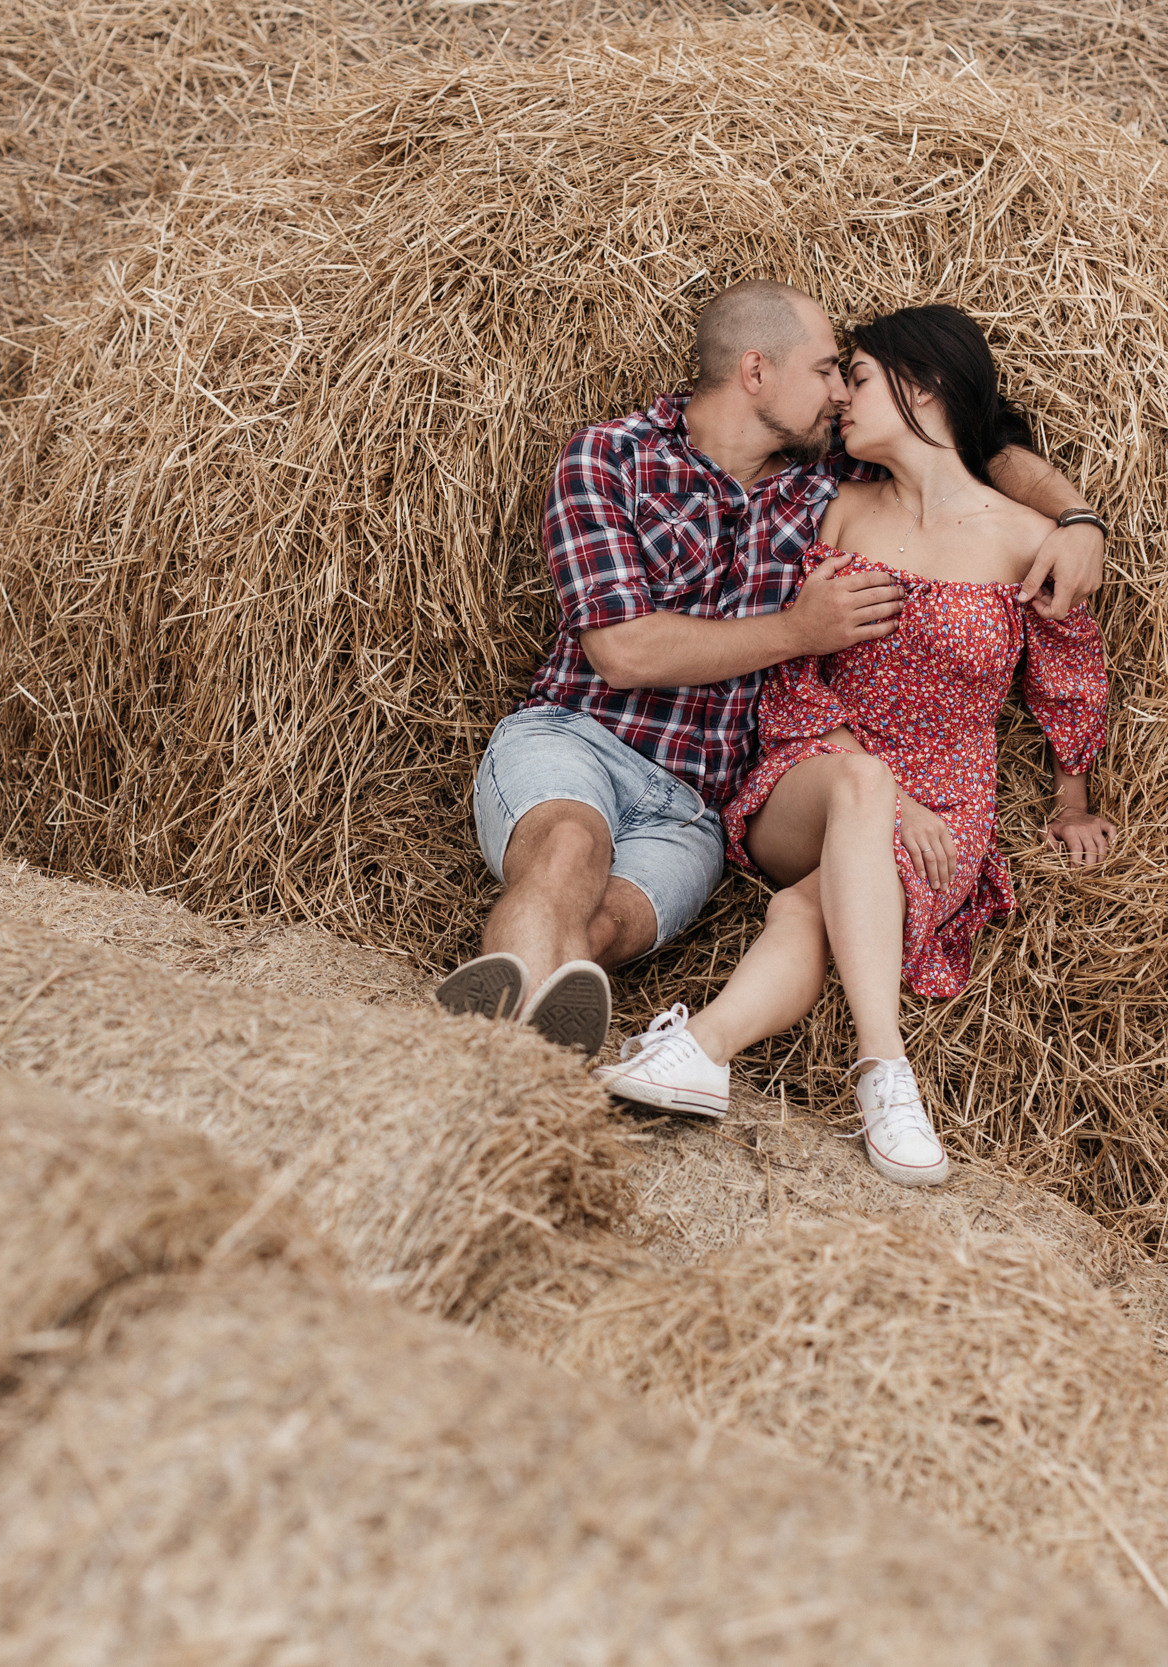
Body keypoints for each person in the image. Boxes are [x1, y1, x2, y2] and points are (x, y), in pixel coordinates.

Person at [436, 282, 1108, 1057]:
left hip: (693, 808)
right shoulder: (610, 456)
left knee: (605, 927)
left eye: (850, 378)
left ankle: (507, 1034)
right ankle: (487, 1071)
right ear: (756, 372)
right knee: (567, 852)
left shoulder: (820, 491)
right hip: (579, 737)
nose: (838, 395)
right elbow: (623, 652)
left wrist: (1078, 518)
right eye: (829, 371)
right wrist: (796, 631)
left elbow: (971, 445)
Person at [587, 304, 1115, 1186]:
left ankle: (697, 1054)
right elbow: (795, 672)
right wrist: (879, 789)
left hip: (947, 803)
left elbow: (1065, 675)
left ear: (925, 386)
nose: (838, 398)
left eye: (857, 377)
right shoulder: (831, 506)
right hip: (814, 766)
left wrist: (1073, 800)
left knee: (807, 910)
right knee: (863, 787)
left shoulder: (1026, 540)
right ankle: (885, 1071)